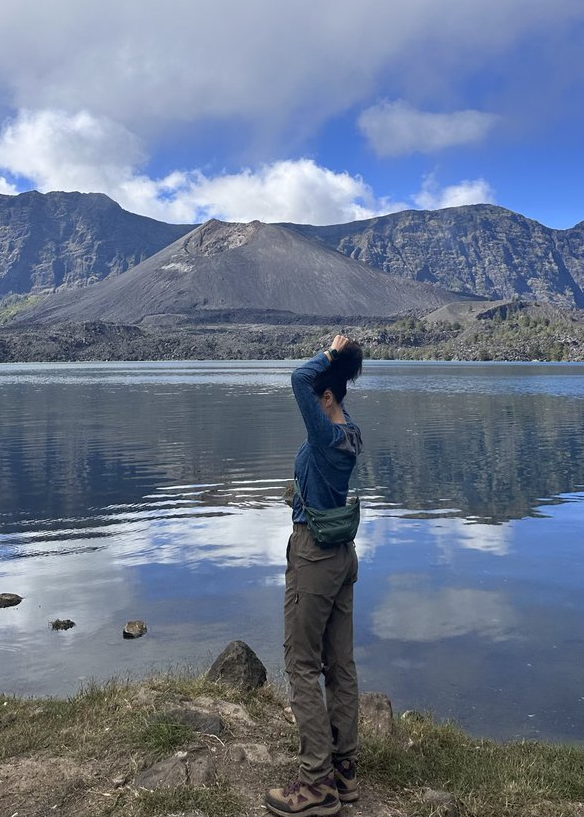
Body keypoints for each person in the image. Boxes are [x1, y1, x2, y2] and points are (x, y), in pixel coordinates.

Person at [265, 334, 364, 817]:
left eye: (319, 395)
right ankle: (344, 770)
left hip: (316, 556)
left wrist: (330, 354)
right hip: (344, 556)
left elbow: (297, 378)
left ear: (327, 396)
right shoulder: (352, 434)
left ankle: (316, 782)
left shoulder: (326, 434)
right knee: (339, 663)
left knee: (302, 664)